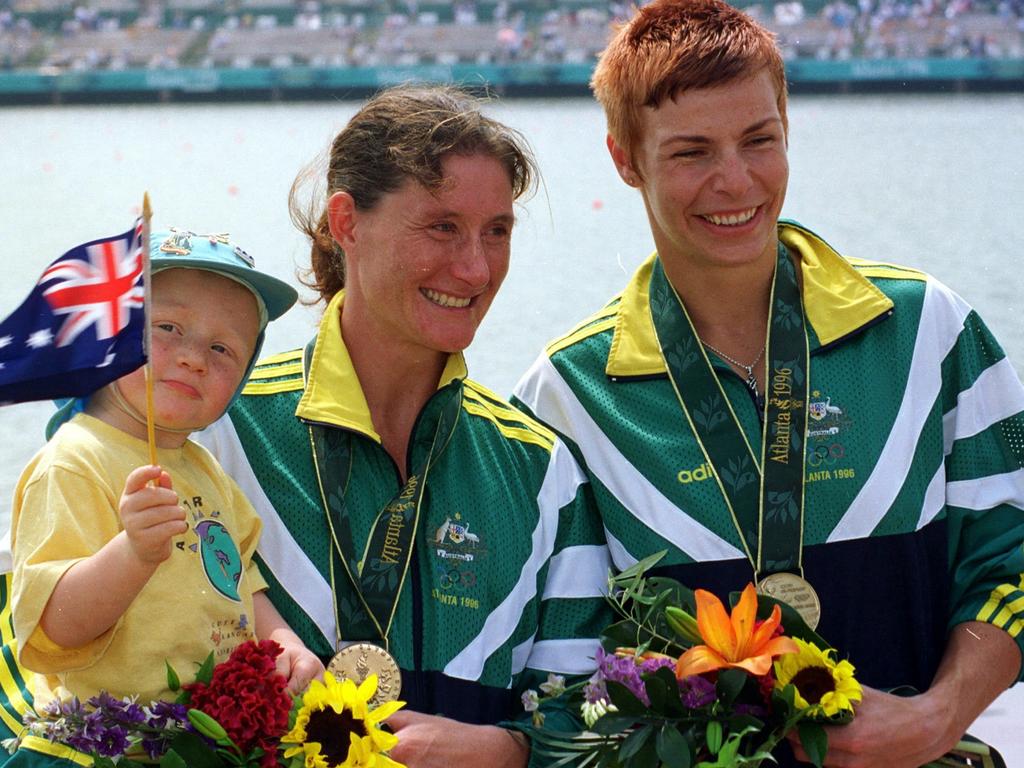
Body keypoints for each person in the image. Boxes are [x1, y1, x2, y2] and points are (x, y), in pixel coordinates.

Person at [511, 1, 1024, 766]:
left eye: (760, 141)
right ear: (625, 160)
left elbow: (1009, 558)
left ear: (788, 130)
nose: (735, 180)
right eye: (691, 152)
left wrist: (935, 719)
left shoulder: (928, 330)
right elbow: (559, 670)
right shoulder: (568, 393)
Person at [195, 85, 610, 768]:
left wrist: (504, 751)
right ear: (347, 223)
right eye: (442, 227)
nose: (475, 268)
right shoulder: (224, 437)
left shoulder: (542, 472)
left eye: (497, 231)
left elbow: (590, 715)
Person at [7, 230, 323, 766]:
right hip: (106, 745)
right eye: (168, 329)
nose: (194, 358)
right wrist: (131, 554)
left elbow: (239, 579)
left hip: (204, 739)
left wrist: (284, 643)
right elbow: (51, 628)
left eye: (223, 349)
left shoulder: (205, 471)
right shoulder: (75, 460)